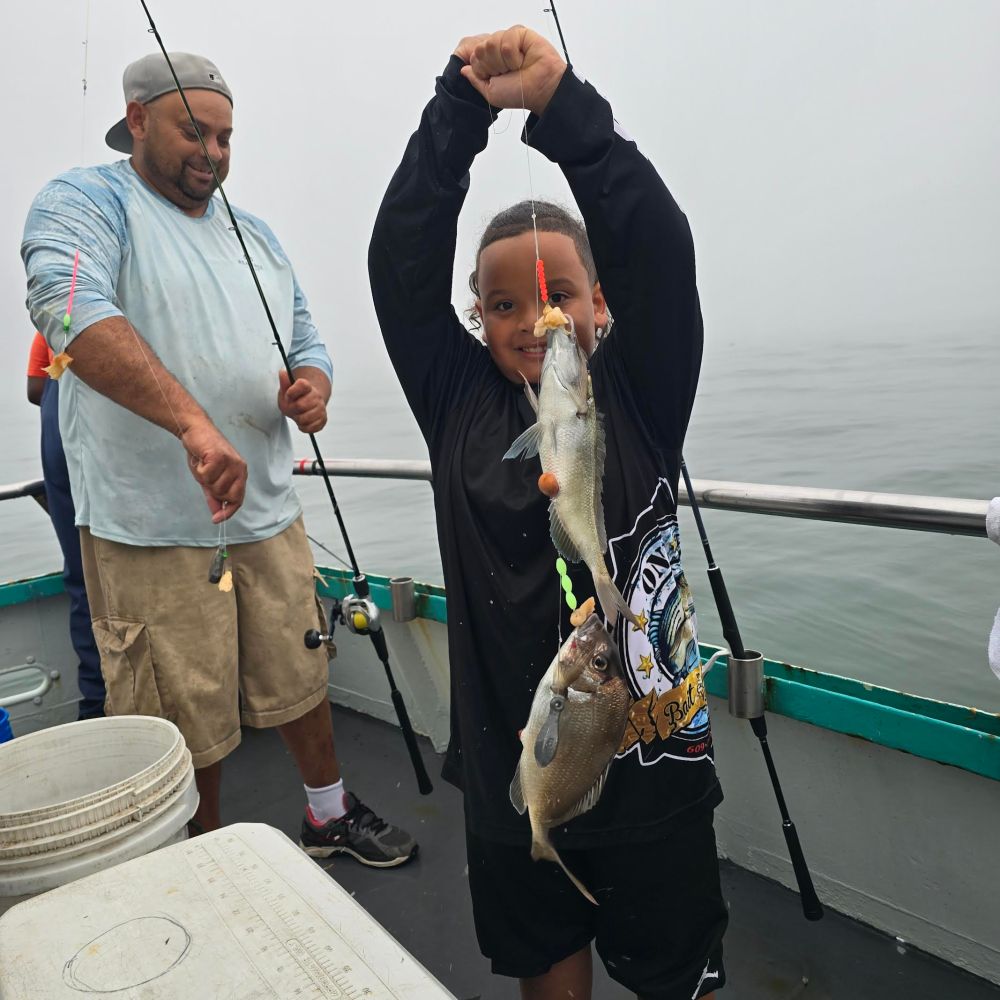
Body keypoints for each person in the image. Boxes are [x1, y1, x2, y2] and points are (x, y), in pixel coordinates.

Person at [370, 26, 726, 1000]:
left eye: (556, 295)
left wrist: (564, 110)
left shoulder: (643, 386)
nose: (533, 322)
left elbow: (658, 245)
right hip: (512, 770)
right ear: (474, 318)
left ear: (598, 303)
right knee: (547, 975)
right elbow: (400, 258)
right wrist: (460, 108)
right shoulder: (454, 400)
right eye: (502, 306)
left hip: (656, 771)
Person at [22, 51, 415, 866]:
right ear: (136, 120)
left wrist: (312, 385)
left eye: (227, 136)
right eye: (194, 131)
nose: (214, 152)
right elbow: (67, 308)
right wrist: (197, 428)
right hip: (150, 521)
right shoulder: (85, 201)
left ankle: (327, 813)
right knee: (178, 703)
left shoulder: (256, 234)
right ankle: (197, 863)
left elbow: (306, 335)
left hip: (268, 505)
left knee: (300, 661)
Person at [26, 331, 106, 720]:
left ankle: (97, 707)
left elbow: (34, 387)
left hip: (58, 431)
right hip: (104, 435)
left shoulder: (55, 312)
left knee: (84, 579)